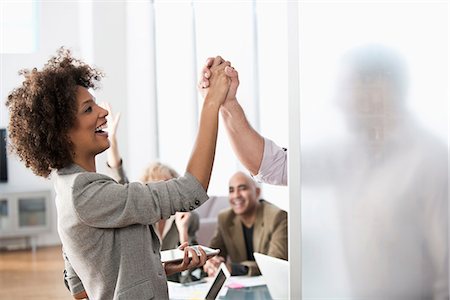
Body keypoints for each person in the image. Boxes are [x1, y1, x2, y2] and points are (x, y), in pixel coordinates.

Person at [199, 45, 448, 298]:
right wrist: (227, 103)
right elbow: (269, 165)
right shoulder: (348, 154)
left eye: (348, 90)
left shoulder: (430, 161)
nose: (339, 102)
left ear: (380, 90)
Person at [6, 48, 234, 300]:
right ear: (62, 133)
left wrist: (157, 269)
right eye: (88, 109)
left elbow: (81, 289)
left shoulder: (67, 187)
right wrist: (212, 102)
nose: (103, 112)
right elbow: (191, 189)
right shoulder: (85, 193)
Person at [203, 171, 287, 277]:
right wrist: (212, 263)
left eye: (242, 188)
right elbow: (214, 253)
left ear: (257, 192)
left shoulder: (277, 217)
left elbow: (275, 265)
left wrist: (236, 269)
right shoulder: (225, 218)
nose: (236, 195)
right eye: (231, 190)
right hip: (241, 287)